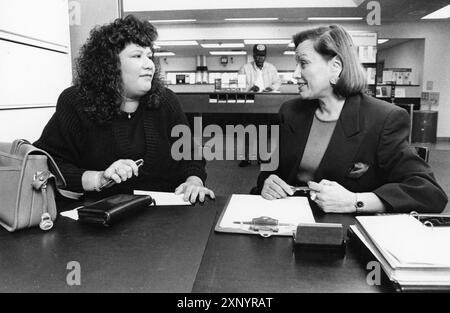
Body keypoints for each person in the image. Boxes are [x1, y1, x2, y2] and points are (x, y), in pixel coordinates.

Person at [256, 25, 447, 214]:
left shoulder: (384, 119)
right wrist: (267, 181)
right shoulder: (290, 112)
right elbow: (271, 170)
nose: (295, 74)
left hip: (345, 230)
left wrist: (355, 201)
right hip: (288, 221)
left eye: (303, 64)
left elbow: (429, 192)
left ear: (335, 67)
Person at [34, 15, 214, 203]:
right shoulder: (76, 102)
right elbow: (48, 164)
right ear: (110, 65)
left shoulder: (166, 101)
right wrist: (98, 178)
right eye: (137, 56)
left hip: (164, 213)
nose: (149, 64)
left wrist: (194, 181)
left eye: (149, 56)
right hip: (101, 214)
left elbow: (191, 155)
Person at [237, 44, 281, 167]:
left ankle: (262, 157)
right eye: (257, 56)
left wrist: (271, 88)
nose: (260, 58)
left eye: (262, 56)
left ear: (265, 56)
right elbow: (240, 86)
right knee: (247, 132)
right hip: (249, 105)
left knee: (263, 131)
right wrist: (250, 88)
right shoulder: (245, 68)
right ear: (254, 56)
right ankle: (246, 158)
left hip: (265, 104)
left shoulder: (271, 68)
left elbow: (277, 82)